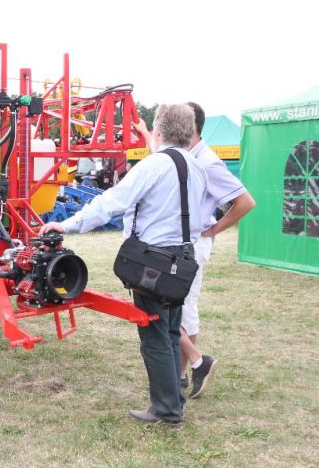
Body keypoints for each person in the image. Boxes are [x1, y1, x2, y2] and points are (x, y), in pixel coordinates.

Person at [40, 104, 207, 426]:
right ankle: (174, 403)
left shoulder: (154, 165)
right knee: (171, 332)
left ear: (157, 132)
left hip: (155, 261)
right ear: (189, 132)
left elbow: (112, 202)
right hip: (185, 257)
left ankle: (166, 411)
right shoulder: (195, 166)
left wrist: (68, 225)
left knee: (156, 335)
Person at [176, 102, 255, 398]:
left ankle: (196, 364)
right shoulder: (189, 157)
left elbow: (245, 202)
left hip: (194, 243)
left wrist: (213, 229)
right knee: (183, 310)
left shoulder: (207, 162)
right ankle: (183, 372)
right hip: (187, 243)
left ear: (191, 127)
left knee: (177, 310)